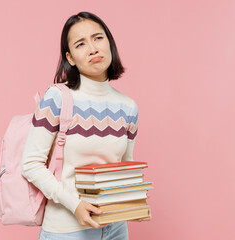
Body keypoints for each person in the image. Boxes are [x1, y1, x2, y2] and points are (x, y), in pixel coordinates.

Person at [21, 11, 149, 240]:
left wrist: (133, 202)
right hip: (67, 230)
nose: (93, 48)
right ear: (70, 58)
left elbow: (124, 164)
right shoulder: (57, 98)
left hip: (116, 228)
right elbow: (31, 164)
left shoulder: (128, 107)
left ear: (109, 43)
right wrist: (76, 205)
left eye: (98, 38)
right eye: (81, 44)